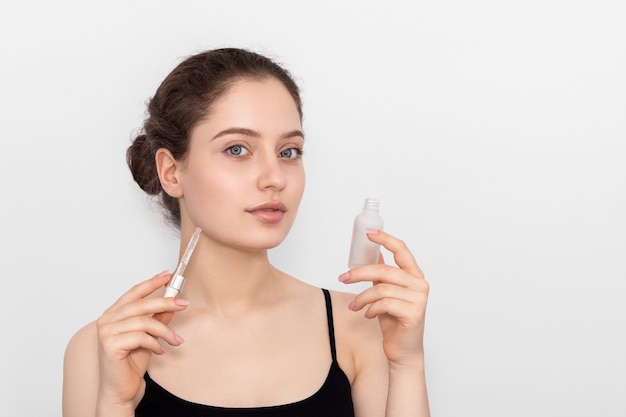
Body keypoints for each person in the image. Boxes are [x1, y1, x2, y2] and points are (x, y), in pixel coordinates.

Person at [62, 47, 430, 417]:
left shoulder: (359, 327)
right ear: (171, 172)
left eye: (289, 152)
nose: (274, 178)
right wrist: (116, 402)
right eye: (237, 149)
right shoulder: (104, 350)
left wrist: (407, 364)